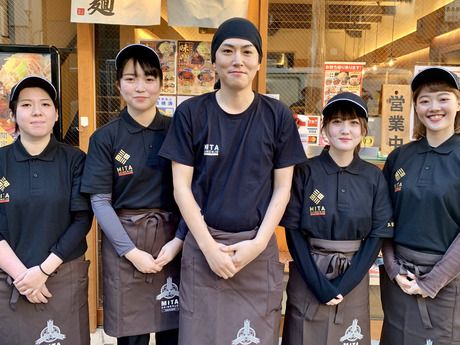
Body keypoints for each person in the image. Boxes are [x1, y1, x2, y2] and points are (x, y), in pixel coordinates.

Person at [158, 17, 306, 345]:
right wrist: (208, 248)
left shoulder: (277, 115)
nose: (237, 59)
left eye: (247, 51)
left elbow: (283, 188)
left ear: (258, 61)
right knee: (202, 335)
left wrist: (256, 245)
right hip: (204, 247)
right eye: (227, 51)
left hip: (257, 248)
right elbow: (181, 187)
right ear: (214, 60)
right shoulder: (192, 114)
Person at [81, 44, 182, 345]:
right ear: (118, 85)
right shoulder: (105, 138)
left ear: (161, 84)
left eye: (149, 78)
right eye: (130, 78)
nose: (140, 87)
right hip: (124, 245)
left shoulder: (177, 130)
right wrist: (131, 252)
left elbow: (193, 192)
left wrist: (178, 242)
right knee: (131, 337)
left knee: (172, 331)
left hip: (171, 242)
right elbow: (99, 200)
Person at [280, 92, 394, 345]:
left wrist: (345, 283)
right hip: (308, 273)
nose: (345, 130)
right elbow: (293, 230)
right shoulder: (304, 171)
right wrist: (317, 282)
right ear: (325, 129)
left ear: (363, 129)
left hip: (354, 274)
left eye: (353, 123)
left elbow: (377, 234)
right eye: (337, 122)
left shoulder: (373, 177)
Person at [0, 76, 92, 344]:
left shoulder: (75, 160)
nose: (37, 111)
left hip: (63, 277)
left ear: (56, 114)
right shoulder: (1, 161)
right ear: (14, 114)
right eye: (27, 105)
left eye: (45, 104)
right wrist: (22, 276)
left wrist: (42, 272)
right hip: (11, 281)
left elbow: (82, 219)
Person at [380, 67, 460, 345]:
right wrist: (393, 269)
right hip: (399, 279)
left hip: (448, 281)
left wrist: (432, 281)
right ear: (415, 106)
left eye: (443, 98)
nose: (434, 107)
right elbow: (384, 219)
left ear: (458, 103)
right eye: (425, 100)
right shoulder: (400, 157)